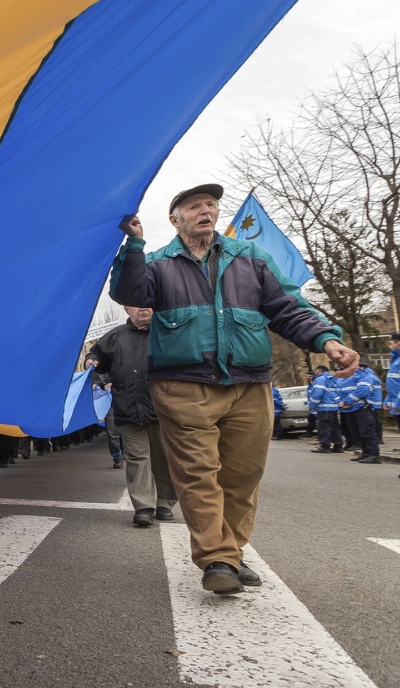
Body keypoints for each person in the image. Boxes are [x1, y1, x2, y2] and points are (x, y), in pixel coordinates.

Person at [112, 183, 357, 595]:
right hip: (183, 385)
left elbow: (288, 308)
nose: (205, 210)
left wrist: (326, 340)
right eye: (194, 206)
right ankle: (217, 558)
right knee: (197, 475)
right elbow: (129, 292)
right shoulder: (156, 264)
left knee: (243, 476)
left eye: (211, 204)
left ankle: (231, 551)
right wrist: (134, 246)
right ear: (176, 219)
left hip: (249, 383)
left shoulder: (251, 259)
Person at [86, 306, 178, 527]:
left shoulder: (167, 331)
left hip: (163, 409)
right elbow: (96, 353)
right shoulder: (116, 336)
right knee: (137, 459)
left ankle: (165, 502)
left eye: (147, 304)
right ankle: (144, 507)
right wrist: (91, 360)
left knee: (163, 459)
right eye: (136, 305)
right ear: (127, 309)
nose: (143, 309)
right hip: (128, 408)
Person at [340, 363, 382, 464]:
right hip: (349, 409)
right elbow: (337, 392)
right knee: (358, 433)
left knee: (367, 431)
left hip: (362, 407)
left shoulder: (363, 376)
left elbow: (363, 390)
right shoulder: (343, 378)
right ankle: (365, 453)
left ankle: (374, 455)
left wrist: (347, 401)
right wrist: (341, 403)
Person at [309, 365, 342, 453]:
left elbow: (317, 394)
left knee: (324, 427)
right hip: (334, 407)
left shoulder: (320, 379)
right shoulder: (332, 379)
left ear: (319, 371)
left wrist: (313, 405)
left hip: (324, 407)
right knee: (334, 427)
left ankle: (325, 445)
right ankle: (338, 445)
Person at [386, 334, 400, 434]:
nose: (389, 346)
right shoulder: (395, 360)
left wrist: (398, 404)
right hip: (396, 402)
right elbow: (394, 384)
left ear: (398, 344)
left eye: (390, 343)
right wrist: (388, 400)